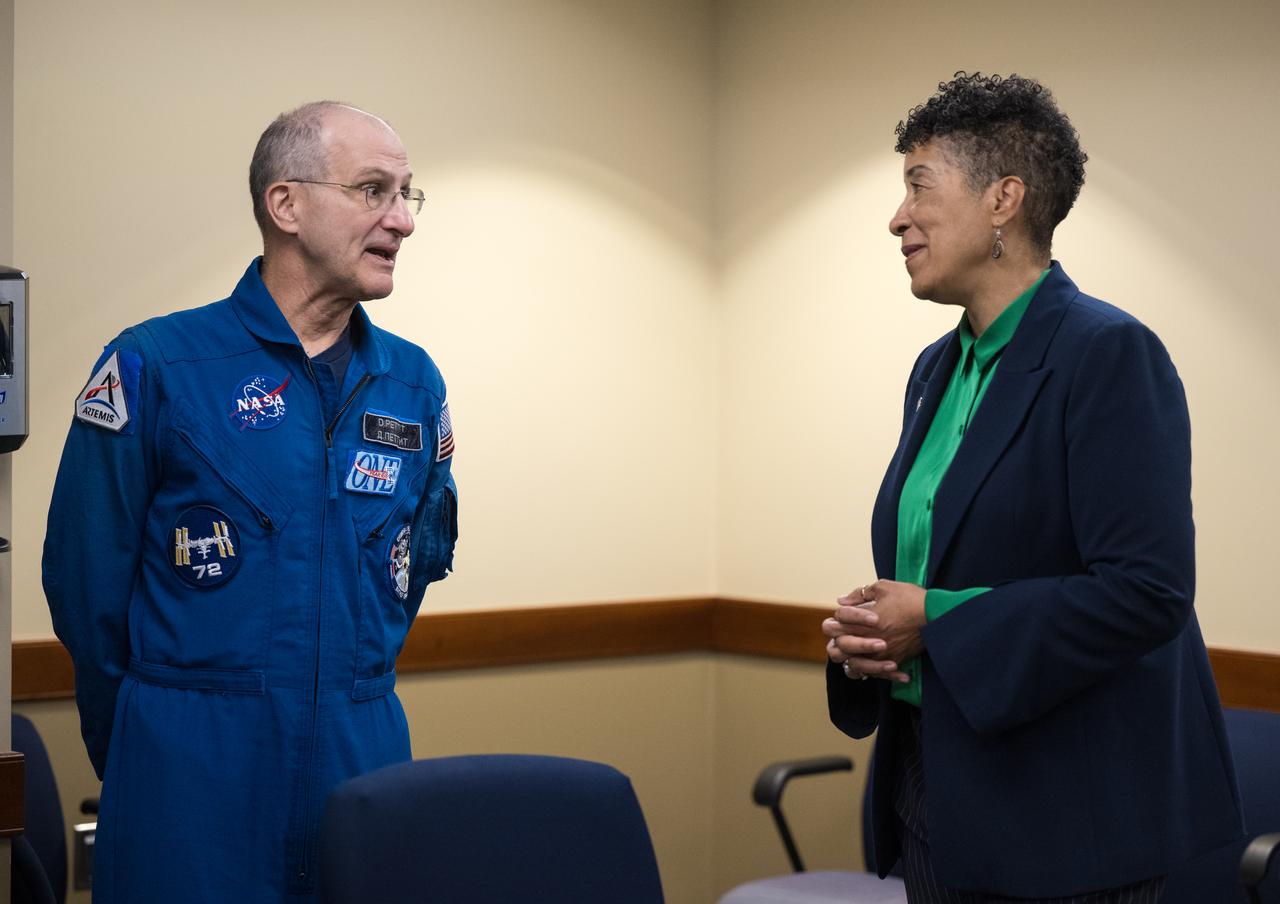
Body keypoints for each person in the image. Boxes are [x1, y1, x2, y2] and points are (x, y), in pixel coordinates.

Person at [823, 73, 1243, 902]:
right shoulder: (935, 369)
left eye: (917, 185)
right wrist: (872, 636)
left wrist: (934, 620)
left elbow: (1146, 592)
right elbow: (945, 568)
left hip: (1065, 822)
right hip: (934, 787)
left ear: (1002, 200)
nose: (897, 217)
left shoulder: (1109, 355)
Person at [43, 101, 458, 903]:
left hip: (360, 752)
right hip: (191, 770)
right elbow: (86, 588)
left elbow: (414, 571)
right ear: (286, 205)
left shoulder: (413, 385)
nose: (402, 220)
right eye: (374, 190)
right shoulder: (155, 364)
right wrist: (142, 739)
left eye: (409, 194)